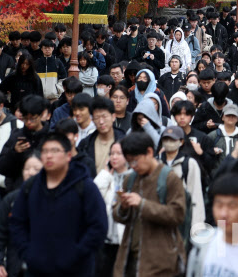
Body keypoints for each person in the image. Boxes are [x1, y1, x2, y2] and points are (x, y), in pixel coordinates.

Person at [9, 131, 107, 277]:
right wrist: (28, 253)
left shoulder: (85, 186)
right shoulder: (31, 186)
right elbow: (17, 222)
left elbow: (98, 226)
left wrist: (78, 253)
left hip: (76, 270)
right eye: (45, 151)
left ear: (68, 156)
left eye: (55, 151)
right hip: (37, 269)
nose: (49, 156)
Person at [114, 132, 187, 276]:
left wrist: (142, 205)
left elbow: (178, 215)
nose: (133, 166)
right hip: (129, 260)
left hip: (161, 263)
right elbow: (118, 215)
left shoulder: (169, 179)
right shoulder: (130, 179)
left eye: (135, 161)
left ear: (149, 152)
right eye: (129, 162)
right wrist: (122, 208)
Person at [0, 154, 43, 277]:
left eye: (36, 169)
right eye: (27, 169)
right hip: (15, 268)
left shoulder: (56, 199)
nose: (31, 173)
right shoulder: (12, 200)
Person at [0, 95, 50, 191]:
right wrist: (14, 151)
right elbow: (1, 168)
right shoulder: (17, 135)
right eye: (25, 118)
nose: (29, 122)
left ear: (42, 115)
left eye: (33, 118)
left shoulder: (52, 137)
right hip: (19, 190)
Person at [93, 142, 130, 277]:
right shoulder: (106, 177)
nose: (114, 157)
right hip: (105, 238)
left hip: (123, 239)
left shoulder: (132, 177)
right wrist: (105, 175)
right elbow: (94, 197)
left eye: (118, 154)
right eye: (112, 154)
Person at [79, 96, 126, 175]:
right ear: (92, 120)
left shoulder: (124, 141)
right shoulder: (85, 144)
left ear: (113, 117)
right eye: (97, 117)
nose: (101, 122)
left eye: (104, 116)